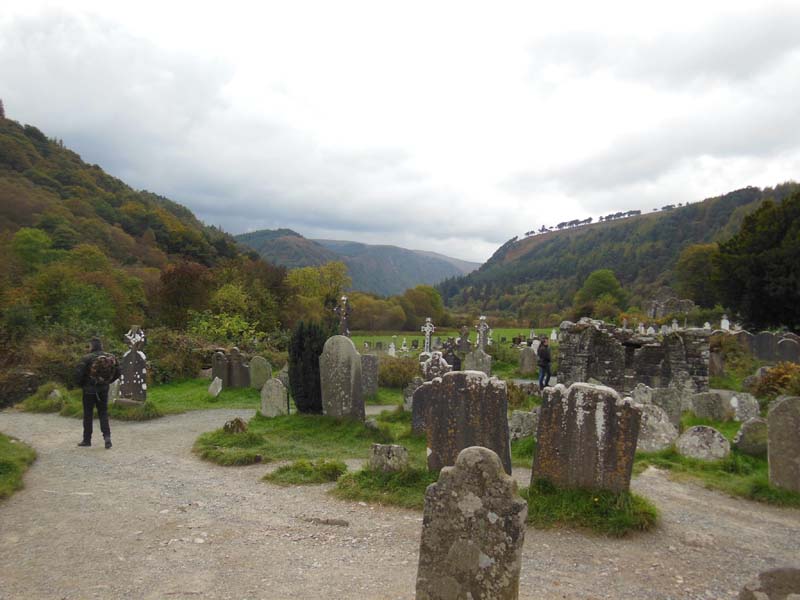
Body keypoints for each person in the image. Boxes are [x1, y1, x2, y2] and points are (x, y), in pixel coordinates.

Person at [75, 337, 120, 449]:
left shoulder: (86, 358)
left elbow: (78, 375)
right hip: (103, 389)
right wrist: (108, 382)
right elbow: (118, 372)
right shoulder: (110, 357)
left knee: (88, 415)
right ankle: (107, 438)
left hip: (88, 391)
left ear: (92, 346)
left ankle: (87, 440)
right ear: (101, 346)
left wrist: (82, 385)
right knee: (103, 413)